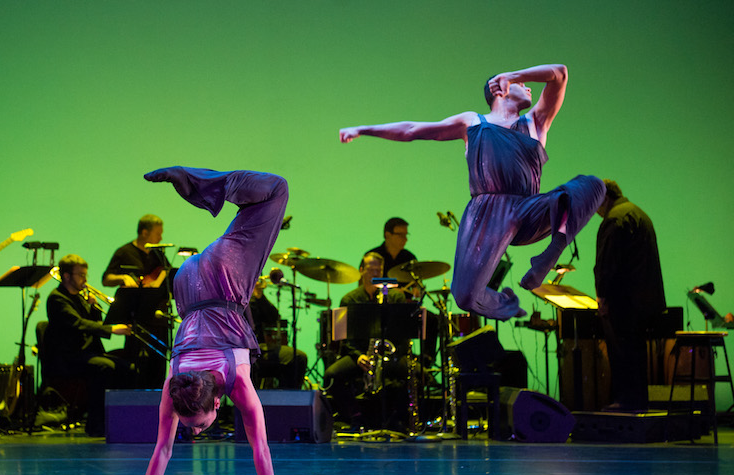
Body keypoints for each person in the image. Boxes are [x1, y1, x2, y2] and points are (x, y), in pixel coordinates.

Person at [340, 64, 605, 320]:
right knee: (464, 296)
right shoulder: (473, 122)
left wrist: (515, 74)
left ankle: (552, 251)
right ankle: (508, 303)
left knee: (593, 186)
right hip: (486, 215)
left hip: (527, 210)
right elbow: (412, 130)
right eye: (521, 84)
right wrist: (362, 129)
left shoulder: (536, 122)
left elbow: (559, 74)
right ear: (498, 90)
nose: (528, 87)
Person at [104, 166, 287, 475]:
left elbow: (261, 448)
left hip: (221, 282)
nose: (196, 431)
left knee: (278, 189)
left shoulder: (236, 382)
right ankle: (198, 186)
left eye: (198, 426)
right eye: (198, 426)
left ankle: (190, 180)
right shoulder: (176, 385)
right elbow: (164, 448)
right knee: (262, 204)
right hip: (186, 283)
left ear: (217, 402)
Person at [595, 179, 665, 411]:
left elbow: (607, 264)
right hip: (645, 300)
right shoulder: (639, 214)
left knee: (622, 353)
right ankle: (637, 403)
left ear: (604, 198)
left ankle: (625, 403)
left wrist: (603, 298)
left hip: (623, 303)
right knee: (635, 355)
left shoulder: (614, 219)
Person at [44, 255, 133, 435]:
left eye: (85, 275)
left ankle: (119, 420)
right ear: (67, 276)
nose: (85, 279)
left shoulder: (79, 297)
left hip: (84, 354)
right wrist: (111, 329)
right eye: (81, 275)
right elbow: (77, 325)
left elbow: (91, 323)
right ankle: (95, 424)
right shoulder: (57, 299)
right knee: (104, 368)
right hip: (68, 358)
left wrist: (93, 308)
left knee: (127, 368)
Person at [323, 252, 409, 430]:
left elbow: (402, 334)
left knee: (413, 372)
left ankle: (397, 419)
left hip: (387, 355)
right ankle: (355, 416)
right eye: (371, 269)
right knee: (332, 375)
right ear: (361, 270)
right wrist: (358, 356)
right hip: (361, 355)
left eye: (379, 269)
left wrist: (392, 355)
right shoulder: (350, 299)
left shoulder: (395, 297)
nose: (376, 273)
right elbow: (344, 339)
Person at [102, 214, 171, 389]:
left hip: (158, 320)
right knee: (137, 368)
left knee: (158, 366)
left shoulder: (158, 254)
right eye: (158, 234)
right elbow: (106, 279)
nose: (161, 238)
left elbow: (167, 277)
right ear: (145, 232)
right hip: (137, 321)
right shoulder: (124, 252)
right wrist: (123, 278)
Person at [248, 279, 308, 389]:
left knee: (297, 357)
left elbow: (273, 318)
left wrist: (260, 297)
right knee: (297, 358)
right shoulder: (230, 296)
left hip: (259, 348)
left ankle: (286, 402)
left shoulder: (252, 297)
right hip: (240, 349)